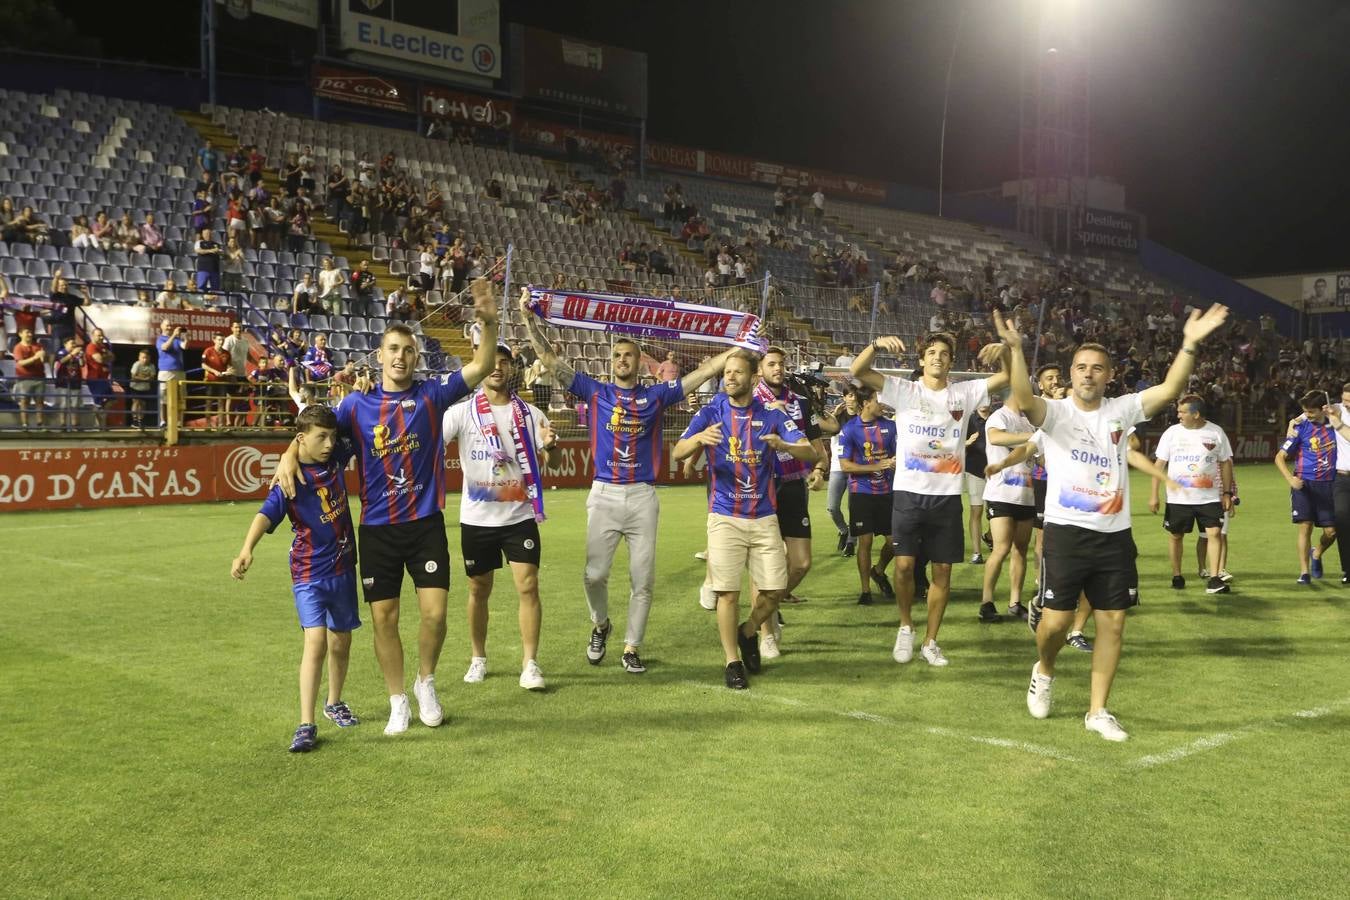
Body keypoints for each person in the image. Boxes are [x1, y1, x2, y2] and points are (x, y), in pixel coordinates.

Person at [992, 302, 1229, 742]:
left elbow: (1171, 386)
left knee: (1113, 622)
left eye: (1097, 368)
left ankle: (1097, 710)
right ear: (1071, 373)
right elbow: (1024, 400)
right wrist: (1017, 351)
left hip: (1115, 536)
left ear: (1109, 375)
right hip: (1065, 533)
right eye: (1081, 367)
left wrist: (1190, 343)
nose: (1088, 374)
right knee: (1057, 626)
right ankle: (1044, 668)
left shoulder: (1121, 410)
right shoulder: (1056, 412)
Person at [273, 279, 500, 736]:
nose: (400, 357)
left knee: (435, 614)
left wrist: (489, 323)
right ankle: (397, 700)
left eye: (408, 351)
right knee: (384, 617)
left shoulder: (432, 397)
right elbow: (316, 433)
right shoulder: (356, 407)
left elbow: (483, 364)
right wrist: (289, 452)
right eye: (392, 349)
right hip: (377, 529)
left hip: (424, 525)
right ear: (379, 356)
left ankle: (425, 682)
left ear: (416, 358)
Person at [519, 288, 735, 674]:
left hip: (642, 496)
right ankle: (601, 625)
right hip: (603, 494)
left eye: (629, 355)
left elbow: (703, 373)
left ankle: (632, 646)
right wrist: (528, 319)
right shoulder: (595, 391)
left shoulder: (655, 396)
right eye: (617, 355)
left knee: (643, 579)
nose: (622, 360)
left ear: (639, 362)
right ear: (611, 361)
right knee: (593, 575)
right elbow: (550, 361)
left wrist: (737, 347)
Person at [850, 333, 1010, 667]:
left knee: (942, 573)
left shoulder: (963, 393)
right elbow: (859, 370)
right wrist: (876, 346)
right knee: (905, 566)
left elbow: (1008, 377)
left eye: (945, 353)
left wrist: (1005, 353)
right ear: (921, 360)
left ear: (952, 362)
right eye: (932, 353)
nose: (938, 357)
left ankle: (931, 641)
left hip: (947, 497)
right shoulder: (904, 391)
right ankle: (906, 626)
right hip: (909, 493)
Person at [672, 350, 817, 689]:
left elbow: (810, 452)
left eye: (738, 373)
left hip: (764, 516)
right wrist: (698, 438)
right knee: (728, 594)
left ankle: (749, 631)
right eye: (727, 372)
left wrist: (784, 444)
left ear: (753, 378)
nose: (730, 377)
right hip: (724, 515)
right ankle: (732, 661)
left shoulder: (772, 414)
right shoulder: (710, 411)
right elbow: (677, 452)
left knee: (775, 588)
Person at [231, 405, 361, 753]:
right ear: (301, 438)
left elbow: (356, 422)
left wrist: (291, 450)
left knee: (341, 641)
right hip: (308, 573)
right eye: (321, 437)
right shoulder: (289, 480)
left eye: (332, 436)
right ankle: (306, 724)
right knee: (316, 641)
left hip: (344, 567)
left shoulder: (333, 459)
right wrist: (246, 549)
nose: (330, 443)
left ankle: (334, 703)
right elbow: (264, 515)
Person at [443, 345, 562, 690]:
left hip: (519, 515)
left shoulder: (531, 414)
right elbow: (432, 440)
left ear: (512, 369)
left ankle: (530, 664)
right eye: (491, 362)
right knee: (479, 589)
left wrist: (551, 446)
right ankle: (478, 657)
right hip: (477, 518)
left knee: (528, 586)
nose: (497, 368)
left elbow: (551, 464)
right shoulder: (462, 413)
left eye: (504, 362)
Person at [754, 347, 838, 656]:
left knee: (801, 563)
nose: (777, 368)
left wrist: (818, 469)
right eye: (771, 364)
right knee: (765, 563)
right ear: (760, 369)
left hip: (792, 487)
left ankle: (770, 605)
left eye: (781, 363)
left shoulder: (799, 403)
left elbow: (818, 448)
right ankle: (765, 634)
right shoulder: (751, 403)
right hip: (761, 488)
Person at [1149, 395, 1235, 594]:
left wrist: (1227, 493)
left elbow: (1225, 463)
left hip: (1210, 497)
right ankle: (1177, 575)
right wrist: (1154, 494)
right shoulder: (1171, 433)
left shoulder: (1216, 432)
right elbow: (1159, 465)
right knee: (1176, 536)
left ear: (1196, 414)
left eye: (1182, 412)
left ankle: (1214, 579)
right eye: (1178, 411)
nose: (1177, 415)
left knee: (1214, 533)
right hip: (1179, 498)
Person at [1275, 391, 1342, 585]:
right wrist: (1291, 479)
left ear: (1322, 409)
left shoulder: (1336, 426)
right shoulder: (1300, 428)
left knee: (1331, 532)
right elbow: (1279, 457)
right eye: (1305, 411)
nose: (1308, 414)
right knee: (1305, 527)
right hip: (1304, 484)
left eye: (1311, 411)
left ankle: (1317, 552)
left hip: (1329, 484)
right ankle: (1304, 573)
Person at [837, 386, 897, 605]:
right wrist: (878, 465)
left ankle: (878, 570)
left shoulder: (890, 427)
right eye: (877, 400)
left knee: (894, 542)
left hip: (888, 492)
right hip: (861, 492)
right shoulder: (850, 430)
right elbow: (845, 466)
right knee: (865, 541)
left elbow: (898, 455)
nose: (882, 404)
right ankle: (865, 592)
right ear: (866, 404)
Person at [981, 394, 1038, 623]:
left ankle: (1015, 602)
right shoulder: (999, 416)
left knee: (1021, 550)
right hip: (1001, 493)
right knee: (1001, 548)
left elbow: (1037, 454)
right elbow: (995, 438)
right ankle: (986, 603)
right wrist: (1033, 436)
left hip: (1026, 493)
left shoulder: (1028, 422)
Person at [827, 388, 860, 557]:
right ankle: (843, 530)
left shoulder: (864, 419)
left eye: (854, 395)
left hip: (856, 468)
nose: (851, 399)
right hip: (837, 467)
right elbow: (822, 428)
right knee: (832, 507)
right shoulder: (836, 418)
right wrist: (833, 414)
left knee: (853, 508)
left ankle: (852, 542)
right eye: (848, 395)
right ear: (844, 397)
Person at [965, 403, 991, 565]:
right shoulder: (968, 420)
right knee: (976, 510)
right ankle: (976, 552)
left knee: (997, 512)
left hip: (996, 471)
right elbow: (955, 444)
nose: (983, 403)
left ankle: (990, 536)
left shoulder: (998, 417)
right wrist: (967, 442)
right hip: (974, 470)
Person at [155, 320, 189, 429]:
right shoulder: (160, 339)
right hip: (166, 371)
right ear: (162, 327)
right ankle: (163, 421)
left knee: (181, 397)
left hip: (179, 371)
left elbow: (185, 347)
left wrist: (187, 337)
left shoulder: (177, 339)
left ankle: (179, 422)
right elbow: (165, 347)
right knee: (163, 397)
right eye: (167, 325)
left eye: (170, 325)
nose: (169, 327)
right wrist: (174, 335)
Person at [11, 328, 47, 429]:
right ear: (20, 334)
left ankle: (40, 424)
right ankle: (25, 424)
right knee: (24, 402)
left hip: (39, 377)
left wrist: (44, 356)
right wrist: (35, 357)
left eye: (31, 332)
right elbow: (21, 363)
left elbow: (44, 360)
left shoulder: (38, 346)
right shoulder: (18, 347)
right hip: (24, 378)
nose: (30, 334)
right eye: (27, 332)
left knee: (40, 402)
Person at [223, 321, 251, 427]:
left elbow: (248, 355)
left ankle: (242, 422)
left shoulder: (245, 341)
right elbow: (224, 355)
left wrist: (258, 364)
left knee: (244, 398)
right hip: (232, 374)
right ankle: (229, 422)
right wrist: (229, 369)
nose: (238, 329)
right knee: (231, 398)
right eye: (236, 327)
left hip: (242, 374)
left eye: (240, 327)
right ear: (232, 328)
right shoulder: (229, 340)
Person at [83, 327, 112, 428]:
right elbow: (99, 359)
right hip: (95, 378)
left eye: (102, 335)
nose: (101, 337)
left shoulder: (102, 346)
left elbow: (113, 357)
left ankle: (101, 419)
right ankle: (99, 425)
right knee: (98, 403)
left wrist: (106, 356)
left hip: (104, 378)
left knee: (112, 399)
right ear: (93, 336)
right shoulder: (91, 347)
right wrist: (106, 357)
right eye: (98, 335)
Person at [201, 332, 232, 427]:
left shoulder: (227, 353)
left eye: (222, 340)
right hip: (210, 381)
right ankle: (208, 425)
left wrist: (229, 371)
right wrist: (214, 371)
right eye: (219, 340)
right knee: (209, 402)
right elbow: (203, 365)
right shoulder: (208, 351)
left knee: (221, 403)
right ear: (214, 340)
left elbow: (230, 366)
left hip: (222, 381)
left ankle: (221, 425)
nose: (221, 342)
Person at [129, 350, 156, 428]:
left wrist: (141, 377)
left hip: (145, 388)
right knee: (136, 402)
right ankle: (134, 421)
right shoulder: (136, 364)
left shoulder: (152, 366)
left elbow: (152, 377)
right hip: (135, 387)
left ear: (149, 358)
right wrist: (144, 379)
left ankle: (140, 421)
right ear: (139, 357)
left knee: (143, 404)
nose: (145, 359)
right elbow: (133, 376)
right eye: (143, 357)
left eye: (146, 358)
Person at [194, 228, 223, 294]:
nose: (208, 235)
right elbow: (198, 250)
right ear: (203, 235)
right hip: (203, 269)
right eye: (206, 234)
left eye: (209, 234)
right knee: (201, 287)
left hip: (215, 270)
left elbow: (221, 253)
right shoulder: (199, 242)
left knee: (215, 289)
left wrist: (219, 252)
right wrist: (210, 251)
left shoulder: (216, 244)